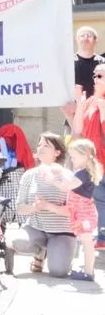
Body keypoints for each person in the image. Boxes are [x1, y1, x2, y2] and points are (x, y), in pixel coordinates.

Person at [8, 132, 75, 278]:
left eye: (46, 145)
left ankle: (59, 253)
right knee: (17, 242)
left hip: (61, 231)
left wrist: (48, 205)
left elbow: (73, 211)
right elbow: (20, 208)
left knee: (59, 272)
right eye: (39, 145)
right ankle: (40, 253)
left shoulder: (67, 176)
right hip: (36, 228)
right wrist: (34, 207)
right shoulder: (29, 175)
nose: (40, 148)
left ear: (57, 152)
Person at [41, 139, 99, 281]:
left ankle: (88, 272)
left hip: (84, 215)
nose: (71, 160)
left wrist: (52, 179)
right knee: (85, 242)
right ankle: (87, 269)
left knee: (87, 243)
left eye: (73, 157)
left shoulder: (83, 174)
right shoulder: (82, 172)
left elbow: (67, 186)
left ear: (85, 156)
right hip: (82, 213)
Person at [64, 63, 105, 249]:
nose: (96, 79)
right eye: (95, 75)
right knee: (96, 199)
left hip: (102, 157)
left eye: (101, 76)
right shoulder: (89, 101)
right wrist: (80, 104)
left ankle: (102, 238)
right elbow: (78, 130)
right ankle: (100, 237)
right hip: (92, 160)